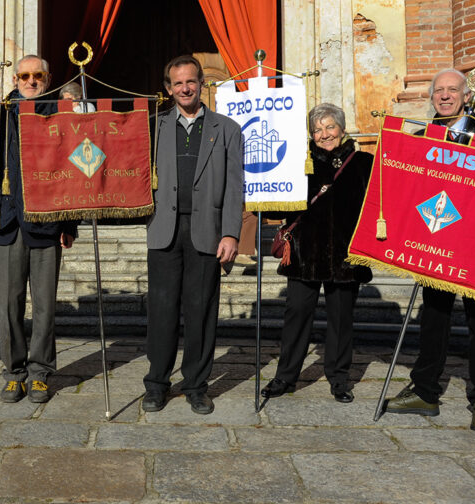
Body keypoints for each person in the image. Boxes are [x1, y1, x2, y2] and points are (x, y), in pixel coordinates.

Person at [384, 68, 475, 433]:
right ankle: (426, 392)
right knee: (434, 318)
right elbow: (407, 190)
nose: (445, 96)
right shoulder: (420, 138)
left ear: (466, 96)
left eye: (452, 90)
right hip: (438, 240)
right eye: (438, 91)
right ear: (432, 98)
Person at [143, 55, 244, 415]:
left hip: (206, 232)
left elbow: (235, 187)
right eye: (177, 83)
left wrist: (231, 233)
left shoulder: (227, 129)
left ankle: (197, 386)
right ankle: (156, 383)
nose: (185, 88)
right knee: (162, 311)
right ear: (168, 89)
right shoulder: (153, 126)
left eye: (191, 81)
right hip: (164, 231)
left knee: (201, 312)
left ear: (202, 84)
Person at [260, 104, 374, 404]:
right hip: (304, 254)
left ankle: (338, 379)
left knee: (341, 319)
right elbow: (277, 208)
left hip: (345, 257)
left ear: (342, 128)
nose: (324, 134)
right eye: (317, 129)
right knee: (296, 315)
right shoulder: (300, 162)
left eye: (329, 127)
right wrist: (263, 192)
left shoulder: (364, 163)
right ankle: (285, 377)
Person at [0, 55, 77, 404]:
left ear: (48, 77)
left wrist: (70, 223)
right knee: (9, 305)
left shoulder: (61, 115)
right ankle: (13, 373)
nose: (31, 80)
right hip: (6, 221)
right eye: (24, 75)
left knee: (44, 306)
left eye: (38, 74)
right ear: (14, 79)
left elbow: (73, 170)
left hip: (48, 221)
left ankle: (39, 374)